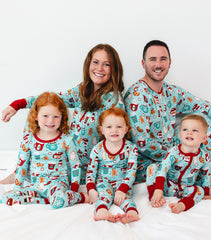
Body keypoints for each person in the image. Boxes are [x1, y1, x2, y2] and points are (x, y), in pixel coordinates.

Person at [1, 44, 125, 184]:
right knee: (40, 112)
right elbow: (52, 100)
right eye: (95, 62)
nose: (99, 68)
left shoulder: (114, 101)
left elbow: (117, 138)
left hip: (83, 164)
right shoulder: (83, 90)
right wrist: (17, 105)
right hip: (67, 151)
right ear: (88, 64)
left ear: (114, 69)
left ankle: (30, 172)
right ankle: (21, 170)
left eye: (106, 64)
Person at [124, 40, 211, 183]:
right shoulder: (137, 95)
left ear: (169, 63)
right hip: (150, 161)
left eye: (163, 59)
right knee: (210, 173)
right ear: (143, 63)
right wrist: (180, 155)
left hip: (174, 151)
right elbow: (142, 143)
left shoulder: (170, 92)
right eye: (152, 59)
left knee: (202, 123)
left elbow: (206, 107)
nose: (158, 65)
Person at [0, 92, 89, 208]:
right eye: (45, 116)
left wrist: (74, 191)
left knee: (59, 200)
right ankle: (45, 201)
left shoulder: (66, 140)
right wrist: (18, 190)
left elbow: (75, 166)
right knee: (5, 198)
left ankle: (79, 198)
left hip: (57, 186)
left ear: (62, 117)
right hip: (36, 187)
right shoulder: (29, 140)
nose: (50, 121)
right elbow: (22, 167)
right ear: (36, 116)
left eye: (56, 116)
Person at [146, 114, 211, 214]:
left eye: (195, 130)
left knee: (200, 190)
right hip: (167, 186)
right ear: (179, 135)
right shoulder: (174, 152)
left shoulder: (204, 156)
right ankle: (155, 197)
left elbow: (206, 174)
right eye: (185, 130)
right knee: (152, 168)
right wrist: (158, 189)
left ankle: (182, 205)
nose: (189, 132)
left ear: (204, 138)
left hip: (185, 189)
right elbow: (163, 169)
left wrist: (206, 193)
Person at [86, 107, 140, 223]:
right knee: (104, 196)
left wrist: (122, 189)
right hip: (104, 182)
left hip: (123, 182)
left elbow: (131, 172)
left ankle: (132, 213)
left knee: (126, 198)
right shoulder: (97, 149)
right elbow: (91, 171)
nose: (114, 130)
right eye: (109, 127)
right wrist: (91, 189)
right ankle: (101, 212)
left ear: (126, 129)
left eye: (119, 127)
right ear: (102, 130)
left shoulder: (131, 148)